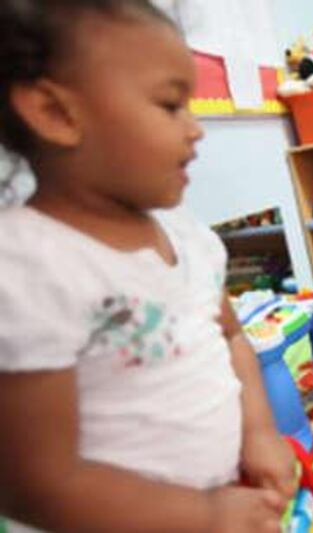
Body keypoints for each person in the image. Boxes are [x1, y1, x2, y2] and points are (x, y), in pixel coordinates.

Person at [0, 2, 296, 532]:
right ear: (56, 113)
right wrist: (203, 516)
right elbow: (35, 482)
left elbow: (231, 339)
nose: (196, 129)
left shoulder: (191, 238)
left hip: (220, 500)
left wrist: (258, 432)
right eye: (169, 105)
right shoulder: (28, 266)